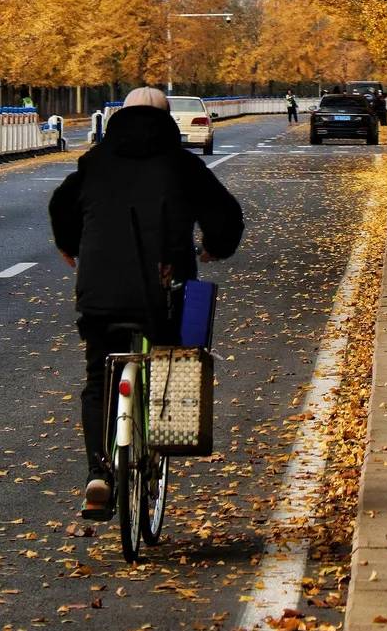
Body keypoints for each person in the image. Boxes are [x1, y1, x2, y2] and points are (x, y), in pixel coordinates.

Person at [49, 85, 244, 519]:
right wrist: (215, 247)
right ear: (167, 119)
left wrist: (69, 245)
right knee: (171, 359)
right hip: (164, 291)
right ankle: (163, 438)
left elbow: (63, 204)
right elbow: (224, 213)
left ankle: (98, 473)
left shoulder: (95, 162)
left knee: (99, 379)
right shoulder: (182, 165)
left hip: (101, 293)